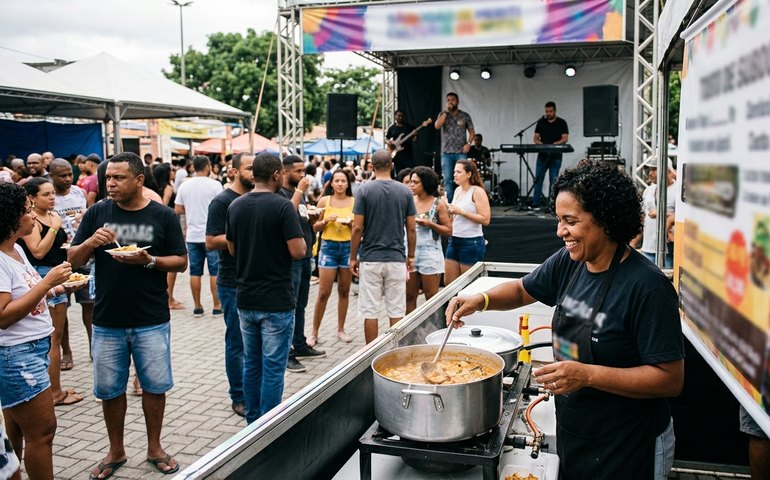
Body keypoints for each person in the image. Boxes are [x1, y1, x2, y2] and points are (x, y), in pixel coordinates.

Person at [446, 160, 685, 479]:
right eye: (559, 220)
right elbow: (521, 290)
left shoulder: (648, 287)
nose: (560, 232)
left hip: (631, 441)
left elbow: (670, 379)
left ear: (605, 219)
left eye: (570, 221)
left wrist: (587, 375)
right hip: (577, 430)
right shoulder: (570, 262)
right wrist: (481, 299)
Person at [68, 152, 187, 478]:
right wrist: (91, 241)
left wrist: (149, 261)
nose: (111, 183)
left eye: (119, 178)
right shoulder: (97, 213)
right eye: (108, 178)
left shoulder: (162, 215)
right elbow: (73, 259)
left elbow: (181, 261)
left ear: (138, 180)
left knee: (154, 387)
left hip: (151, 318)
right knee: (109, 390)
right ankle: (116, 450)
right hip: (107, 320)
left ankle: (154, 447)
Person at [0, 182, 73, 480]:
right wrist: (46, 282)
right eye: (28, 210)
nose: (33, 216)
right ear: (11, 218)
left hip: (32, 351)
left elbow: (25, 294)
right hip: (18, 357)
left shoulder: (15, 249)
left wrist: (56, 288)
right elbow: (3, 316)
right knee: (42, 433)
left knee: (17, 431)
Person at [225, 153, 306, 424]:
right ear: (276, 175)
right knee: (273, 367)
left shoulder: (235, 206)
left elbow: (232, 248)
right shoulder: (282, 206)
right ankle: (267, 426)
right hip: (276, 300)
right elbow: (298, 251)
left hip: (246, 298)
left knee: (252, 363)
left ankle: (252, 421)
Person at [19, 178, 84, 407]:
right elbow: (37, 251)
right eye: (45, 194)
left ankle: (53, 388)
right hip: (45, 276)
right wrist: (55, 226)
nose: (51, 198)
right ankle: (54, 392)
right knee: (54, 337)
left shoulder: (51, 215)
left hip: (57, 273)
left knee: (55, 334)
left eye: (52, 193)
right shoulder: (34, 221)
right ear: (32, 199)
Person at [205, 153, 254, 418]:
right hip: (232, 281)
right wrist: (246, 236)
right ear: (233, 171)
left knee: (254, 342)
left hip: (257, 280)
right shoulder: (222, 201)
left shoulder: (258, 196)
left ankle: (253, 392)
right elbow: (211, 241)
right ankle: (238, 395)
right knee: (237, 342)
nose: (254, 172)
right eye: (249, 168)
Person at [349, 150, 416, 344]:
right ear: (392, 166)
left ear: (372, 167)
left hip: (370, 257)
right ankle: (396, 351)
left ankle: (371, 354)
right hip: (396, 258)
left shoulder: (364, 190)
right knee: (396, 309)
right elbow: (411, 229)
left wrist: (353, 257)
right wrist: (410, 256)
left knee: (370, 310)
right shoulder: (404, 191)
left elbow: (357, 227)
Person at [278, 156, 326, 373]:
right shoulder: (281, 193)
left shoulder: (300, 195)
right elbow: (285, 214)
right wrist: (299, 191)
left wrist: (313, 220)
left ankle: (300, 343)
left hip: (306, 256)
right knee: (290, 304)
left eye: (303, 171)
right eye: (297, 171)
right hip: (292, 259)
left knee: (301, 304)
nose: (302, 175)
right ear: (285, 172)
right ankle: (286, 352)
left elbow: (299, 218)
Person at [49, 158, 92, 371]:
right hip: (59, 258)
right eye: (62, 175)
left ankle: (94, 347)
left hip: (82, 254)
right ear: (52, 176)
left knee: (89, 303)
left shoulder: (78, 193)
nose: (67, 179)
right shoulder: (49, 197)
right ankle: (66, 351)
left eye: (69, 174)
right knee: (61, 307)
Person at [310, 169, 356, 347]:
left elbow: (360, 227)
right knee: (323, 292)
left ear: (348, 183)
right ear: (331, 183)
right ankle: (314, 333)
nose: (339, 184)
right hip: (328, 247)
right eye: (336, 180)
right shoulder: (324, 200)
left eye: (343, 181)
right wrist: (326, 220)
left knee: (344, 291)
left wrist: (352, 224)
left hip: (347, 248)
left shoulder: (354, 201)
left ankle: (341, 329)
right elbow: (314, 227)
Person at [175, 156, 223, 317]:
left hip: (192, 235)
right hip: (212, 235)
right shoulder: (215, 185)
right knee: (214, 271)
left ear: (193, 167)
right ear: (208, 166)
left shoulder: (185, 185)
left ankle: (197, 306)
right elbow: (223, 206)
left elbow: (178, 209)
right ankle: (217, 305)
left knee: (195, 272)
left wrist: (191, 211)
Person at [406, 167, 452, 314]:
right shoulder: (409, 201)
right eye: (411, 182)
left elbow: (449, 230)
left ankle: (432, 330)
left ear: (425, 183)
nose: (411, 185)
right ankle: (409, 334)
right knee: (409, 296)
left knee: (431, 296)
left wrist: (430, 224)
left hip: (430, 253)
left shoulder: (438, 203)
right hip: (410, 251)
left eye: (415, 182)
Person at [444, 160, 491, 285]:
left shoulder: (477, 191)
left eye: (459, 172)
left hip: (471, 242)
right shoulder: (457, 190)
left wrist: (462, 212)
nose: (455, 174)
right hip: (454, 239)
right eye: (454, 171)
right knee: (449, 282)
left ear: (469, 174)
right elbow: (455, 215)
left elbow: (485, 219)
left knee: (469, 284)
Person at [631, 160, 677, 268]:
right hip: (647, 249)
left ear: (668, 171)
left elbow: (684, 217)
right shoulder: (649, 190)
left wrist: (662, 213)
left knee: (666, 282)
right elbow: (642, 218)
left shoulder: (678, 191)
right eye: (649, 169)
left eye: (654, 169)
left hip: (667, 251)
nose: (650, 173)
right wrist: (634, 243)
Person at [434, 92, 475, 202]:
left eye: (453, 100)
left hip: (460, 152)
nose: (450, 102)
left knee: (464, 178)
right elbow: (437, 126)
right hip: (446, 152)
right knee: (448, 179)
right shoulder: (443, 114)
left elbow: (472, 132)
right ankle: (450, 205)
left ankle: (464, 202)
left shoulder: (464, 116)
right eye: (448, 100)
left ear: (457, 102)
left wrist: (468, 144)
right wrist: (446, 112)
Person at [531, 101, 569, 210]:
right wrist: (542, 145)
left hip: (555, 156)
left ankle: (552, 205)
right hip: (542, 156)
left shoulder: (561, 122)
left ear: (555, 111)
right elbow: (535, 138)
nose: (548, 113)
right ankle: (536, 203)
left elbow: (565, 138)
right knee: (538, 179)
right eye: (547, 111)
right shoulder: (541, 122)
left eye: (550, 111)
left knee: (554, 181)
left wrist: (557, 143)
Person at [386, 109, 416, 175]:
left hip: (408, 154)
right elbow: (387, 139)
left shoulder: (409, 127)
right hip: (397, 154)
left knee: (410, 171)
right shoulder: (392, 128)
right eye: (398, 116)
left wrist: (415, 136)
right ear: (395, 116)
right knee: (399, 172)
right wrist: (391, 144)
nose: (400, 117)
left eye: (402, 116)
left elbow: (415, 139)